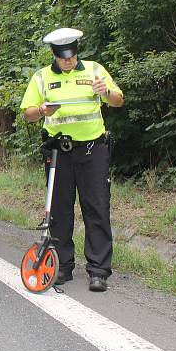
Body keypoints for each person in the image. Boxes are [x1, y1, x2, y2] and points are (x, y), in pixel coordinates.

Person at [20, 28, 124, 292]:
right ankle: (62, 266)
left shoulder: (94, 70)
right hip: (59, 152)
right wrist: (42, 110)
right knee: (59, 211)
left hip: (93, 150)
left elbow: (118, 100)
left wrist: (106, 92)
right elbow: (28, 114)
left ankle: (99, 271)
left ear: (77, 51)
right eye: (63, 57)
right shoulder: (42, 77)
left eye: (72, 55)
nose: (69, 60)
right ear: (54, 55)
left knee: (97, 207)